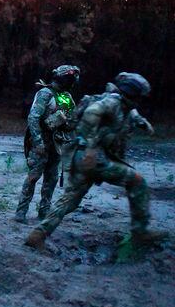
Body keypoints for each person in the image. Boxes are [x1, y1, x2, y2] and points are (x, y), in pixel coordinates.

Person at [25, 72, 166, 250]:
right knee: (137, 181)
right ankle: (140, 231)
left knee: (70, 201)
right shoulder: (112, 102)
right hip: (94, 158)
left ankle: (38, 234)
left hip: (86, 159)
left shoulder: (125, 106)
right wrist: (89, 147)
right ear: (133, 94)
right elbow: (91, 113)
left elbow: (131, 115)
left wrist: (141, 122)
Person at [13, 65, 80, 224]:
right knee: (33, 177)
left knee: (51, 179)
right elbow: (33, 118)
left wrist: (66, 123)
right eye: (69, 79)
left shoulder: (65, 96)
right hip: (42, 141)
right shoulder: (45, 93)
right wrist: (38, 142)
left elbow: (72, 119)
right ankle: (21, 212)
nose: (71, 82)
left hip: (56, 143)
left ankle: (44, 212)